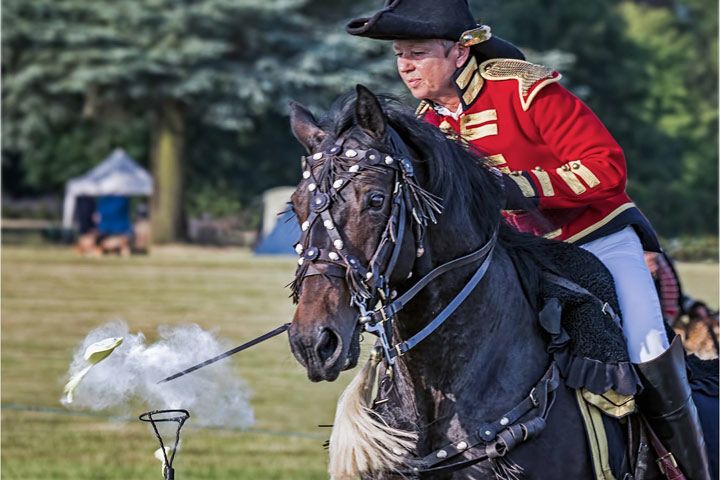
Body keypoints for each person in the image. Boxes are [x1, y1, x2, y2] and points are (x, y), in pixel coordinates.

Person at [346, 1, 710, 477]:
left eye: (417, 52)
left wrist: (520, 187)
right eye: (399, 55)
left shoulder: (525, 91)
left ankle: (689, 465)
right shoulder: (430, 124)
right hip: (523, 257)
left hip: (595, 240)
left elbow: (608, 168)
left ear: (460, 52)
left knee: (646, 345)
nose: (405, 66)